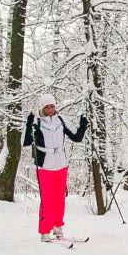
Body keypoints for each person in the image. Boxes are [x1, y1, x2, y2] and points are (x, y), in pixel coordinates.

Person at [23, 93, 88, 242]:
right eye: (47, 107)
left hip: (61, 165)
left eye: (52, 106)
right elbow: (26, 142)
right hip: (45, 166)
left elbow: (76, 138)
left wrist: (83, 125)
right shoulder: (37, 123)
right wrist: (28, 124)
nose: (50, 109)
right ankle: (45, 230)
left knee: (59, 199)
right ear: (42, 108)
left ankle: (57, 226)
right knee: (47, 199)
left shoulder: (61, 120)